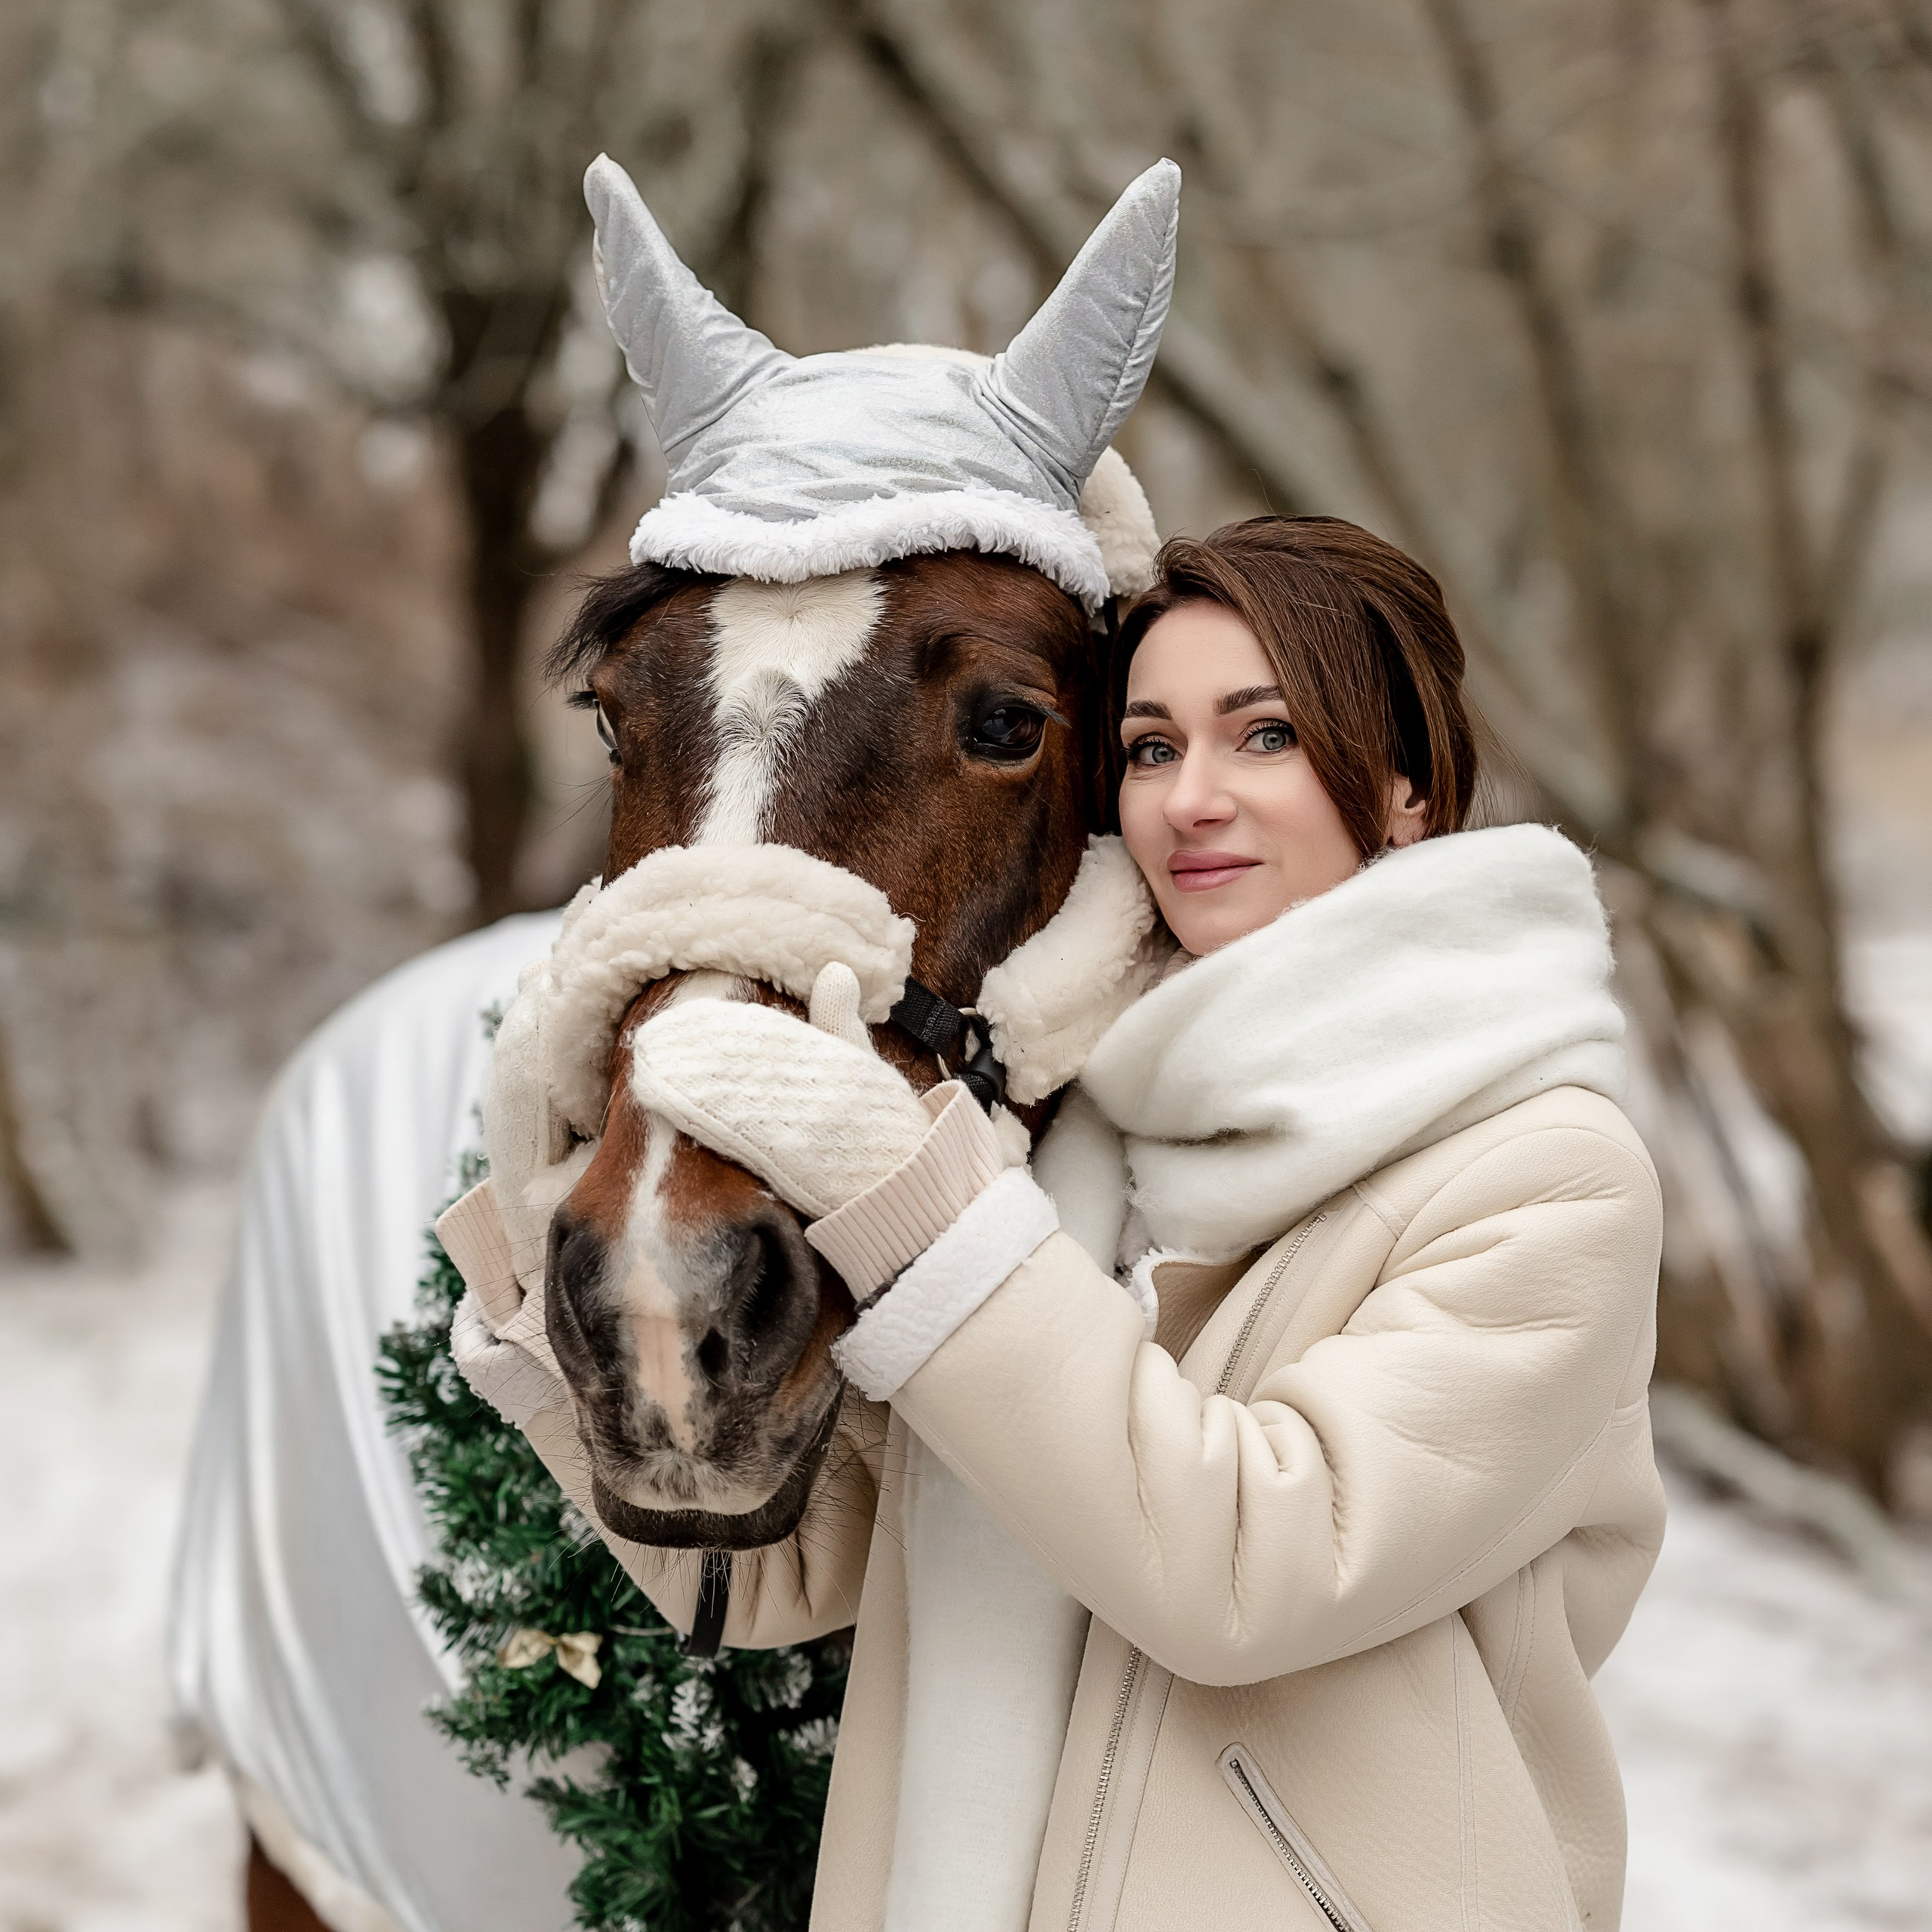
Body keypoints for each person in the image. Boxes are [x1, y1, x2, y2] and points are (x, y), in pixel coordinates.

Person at [478, 512, 1665, 1931]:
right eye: (1152, 748)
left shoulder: (1547, 1174)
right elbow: (775, 1574)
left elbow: (1248, 1567)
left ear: (1408, 783)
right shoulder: (1070, 1139)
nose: (1193, 799)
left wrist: (925, 1220)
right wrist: (550, 1218)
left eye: (1264, 736)